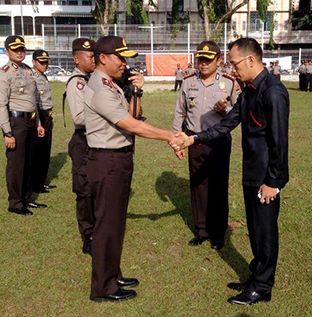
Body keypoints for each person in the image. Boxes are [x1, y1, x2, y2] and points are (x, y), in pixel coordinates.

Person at [173, 37, 289, 305]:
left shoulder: (272, 92)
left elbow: (280, 143)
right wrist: (194, 138)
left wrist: (273, 181)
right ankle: (256, 275)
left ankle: (262, 286)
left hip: (265, 177)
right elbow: (226, 125)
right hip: (251, 171)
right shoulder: (249, 89)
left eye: (235, 63)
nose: (232, 69)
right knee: (255, 227)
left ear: (251, 59)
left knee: (265, 230)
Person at [82, 36, 187, 302]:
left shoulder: (111, 85)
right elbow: (133, 125)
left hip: (117, 160)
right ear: (103, 59)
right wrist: (171, 136)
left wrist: (137, 91)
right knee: (106, 225)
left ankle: (112, 275)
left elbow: (134, 114)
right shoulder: (101, 87)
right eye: (121, 57)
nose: (125, 63)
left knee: (115, 223)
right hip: (107, 161)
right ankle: (103, 288)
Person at [172, 40, 240, 250]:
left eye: (208, 60)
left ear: (218, 61)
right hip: (195, 140)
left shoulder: (229, 82)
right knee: (198, 185)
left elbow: (239, 113)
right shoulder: (188, 81)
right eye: (200, 59)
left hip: (218, 142)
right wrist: (177, 140)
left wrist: (224, 111)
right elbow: (180, 112)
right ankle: (201, 230)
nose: (203, 64)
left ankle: (218, 233)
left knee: (218, 187)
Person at [0, 35, 45, 216]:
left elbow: (34, 100)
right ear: (7, 52)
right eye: (15, 49)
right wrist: (7, 132)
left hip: (30, 121)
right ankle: (15, 203)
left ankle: (26, 198)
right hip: (16, 122)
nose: (19, 52)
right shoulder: (4, 73)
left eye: (21, 49)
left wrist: (38, 122)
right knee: (17, 164)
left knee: (29, 162)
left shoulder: (27, 71)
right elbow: (1, 105)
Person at [65, 38, 97, 255]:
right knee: (85, 191)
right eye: (89, 56)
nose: (93, 59)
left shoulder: (91, 79)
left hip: (95, 140)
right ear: (77, 59)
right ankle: (88, 234)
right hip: (83, 140)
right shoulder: (77, 82)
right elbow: (78, 117)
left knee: (97, 187)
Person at [31, 49, 56, 194]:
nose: (44, 64)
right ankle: (36, 183)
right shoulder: (32, 78)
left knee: (46, 149)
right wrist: (38, 122)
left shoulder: (43, 76)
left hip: (47, 115)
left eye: (46, 62)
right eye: (41, 62)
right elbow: (35, 101)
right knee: (38, 150)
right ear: (34, 62)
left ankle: (42, 181)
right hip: (39, 115)